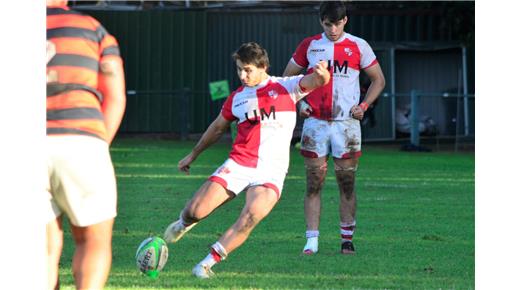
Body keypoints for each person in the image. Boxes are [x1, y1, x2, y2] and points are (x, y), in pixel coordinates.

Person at [163, 42, 330, 278]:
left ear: (263, 66)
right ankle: (184, 223)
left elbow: (317, 81)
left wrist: (322, 74)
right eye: (239, 69)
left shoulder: (286, 87)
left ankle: (206, 264)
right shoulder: (236, 98)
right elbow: (217, 128)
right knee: (195, 211)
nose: (242, 75)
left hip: (272, 171)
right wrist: (193, 154)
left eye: (248, 69)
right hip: (239, 163)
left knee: (251, 215)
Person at [282, 1, 385, 255]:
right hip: (315, 124)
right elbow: (287, 79)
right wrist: (300, 102)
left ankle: (346, 240)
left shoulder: (358, 45)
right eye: (328, 24)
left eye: (338, 24)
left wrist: (364, 105)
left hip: (346, 125)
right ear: (321, 22)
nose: (333, 30)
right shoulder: (310, 45)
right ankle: (312, 241)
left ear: (345, 21)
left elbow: (378, 80)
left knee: (346, 182)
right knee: (313, 182)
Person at [46, 0, 126, 289]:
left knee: (41, 247)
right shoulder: (94, 30)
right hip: (82, 141)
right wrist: (98, 144)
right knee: (93, 239)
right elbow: (115, 97)